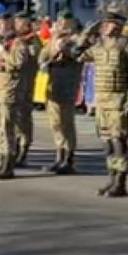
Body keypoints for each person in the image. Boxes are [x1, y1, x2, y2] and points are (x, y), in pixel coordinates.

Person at [76, 9, 128, 198]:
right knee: (106, 142)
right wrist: (87, 33)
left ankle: (120, 181)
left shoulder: (127, 46)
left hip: (117, 100)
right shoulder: (99, 46)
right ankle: (111, 177)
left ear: (118, 26)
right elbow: (76, 53)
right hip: (102, 101)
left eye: (109, 23)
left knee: (118, 141)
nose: (105, 25)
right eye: (104, 22)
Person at [0, 11, 41, 179]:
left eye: (4, 24)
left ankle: (8, 163)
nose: (0, 27)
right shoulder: (2, 42)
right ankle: (1, 161)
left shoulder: (18, 43)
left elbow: (18, 63)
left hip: (10, 90)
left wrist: (2, 52)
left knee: (6, 127)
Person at [40, 10, 83, 174]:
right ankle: (59, 155)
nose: (62, 23)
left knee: (66, 122)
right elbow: (42, 55)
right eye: (59, 20)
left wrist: (65, 49)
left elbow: (79, 54)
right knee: (55, 122)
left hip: (68, 81)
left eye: (66, 20)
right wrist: (46, 59)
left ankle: (69, 157)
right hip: (53, 81)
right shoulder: (54, 38)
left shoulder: (77, 38)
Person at [13, 12, 41, 168]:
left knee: (23, 118)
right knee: (15, 118)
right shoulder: (16, 40)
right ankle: (15, 148)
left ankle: (23, 149)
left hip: (26, 83)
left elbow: (36, 55)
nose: (17, 26)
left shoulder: (33, 39)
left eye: (20, 23)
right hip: (15, 85)